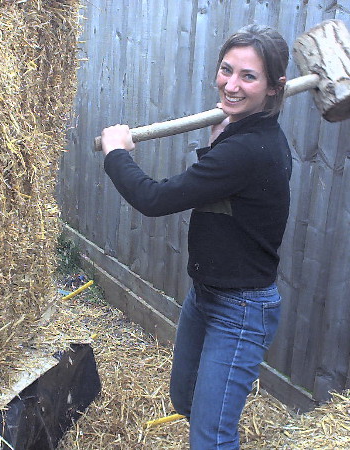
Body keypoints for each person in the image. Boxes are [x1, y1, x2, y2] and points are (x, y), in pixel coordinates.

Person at [100, 25, 291, 449]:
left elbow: (154, 198)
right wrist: (218, 139)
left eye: (248, 77)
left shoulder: (251, 149)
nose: (231, 84)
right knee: (184, 400)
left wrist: (116, 153)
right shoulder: (244, 136)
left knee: (212, 437)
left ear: (275, 88)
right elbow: (225, 196)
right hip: (207, 294)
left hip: (240, 310)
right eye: (227, 70)